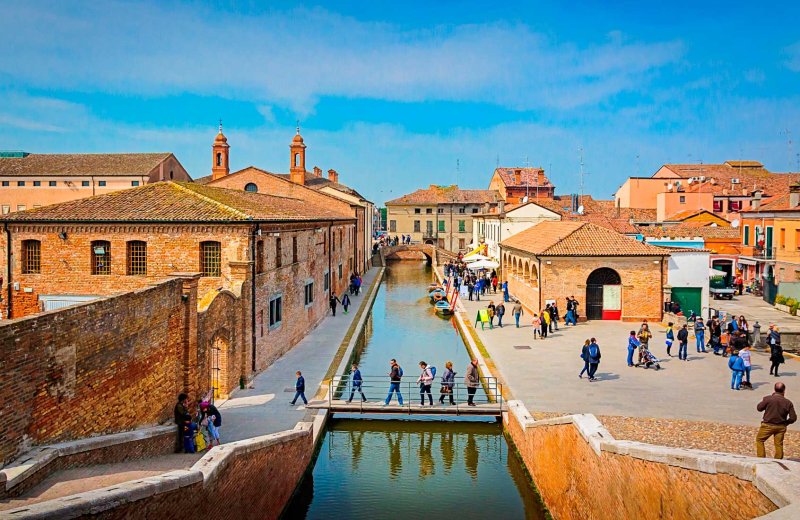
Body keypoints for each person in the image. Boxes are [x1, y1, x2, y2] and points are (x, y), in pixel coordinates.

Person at [756, 382, 797, 459]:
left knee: (760, 440)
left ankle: (761, 458)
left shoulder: (768, 399)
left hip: (767, 425)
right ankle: (779, 460)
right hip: (781, 427)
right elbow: (793, 418)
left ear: (774, 389)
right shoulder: (788, 403)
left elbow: (759, 408)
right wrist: (786, 423)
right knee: (779, 444)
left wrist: (766, 401)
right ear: (784, 390)